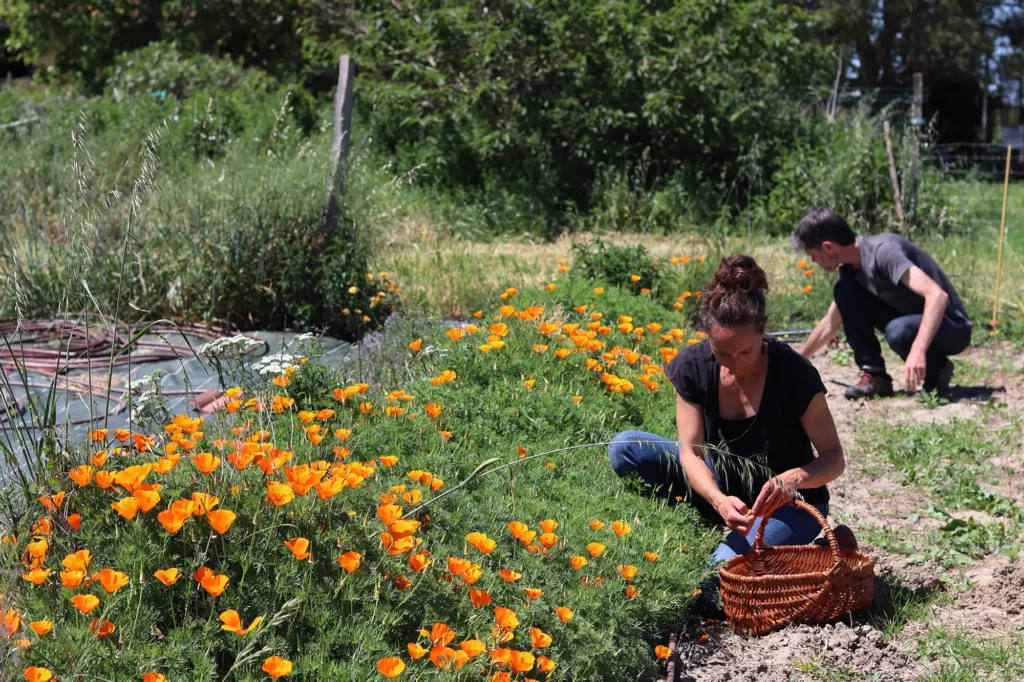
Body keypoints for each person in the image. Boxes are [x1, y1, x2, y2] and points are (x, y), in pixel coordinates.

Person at [608, 255, 848, 615]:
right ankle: (702, 529)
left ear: (763, 329)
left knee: (710, 589)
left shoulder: (795, 374)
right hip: (724, 490)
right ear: (707, 334)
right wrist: (718, 500)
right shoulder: (692, 366)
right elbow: (690, 452)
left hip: (788, 507)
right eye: (723, 353)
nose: (736, 364)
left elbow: (833, 459)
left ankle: (819, 555)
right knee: (626, 448)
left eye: (746, 351)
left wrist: (793, 479)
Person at [792, 208, 972, 399]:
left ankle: (937, 369)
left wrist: (918, 351)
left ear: (828, 247)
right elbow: (831, 322)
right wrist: (797, 361)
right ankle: (875, 376)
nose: (813, 261)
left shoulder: (883, 252)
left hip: (953, 329)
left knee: (898, 331)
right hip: (911, 321)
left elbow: (937, 296)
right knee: (845, 290)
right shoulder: (849, 270)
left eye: (812, 254)